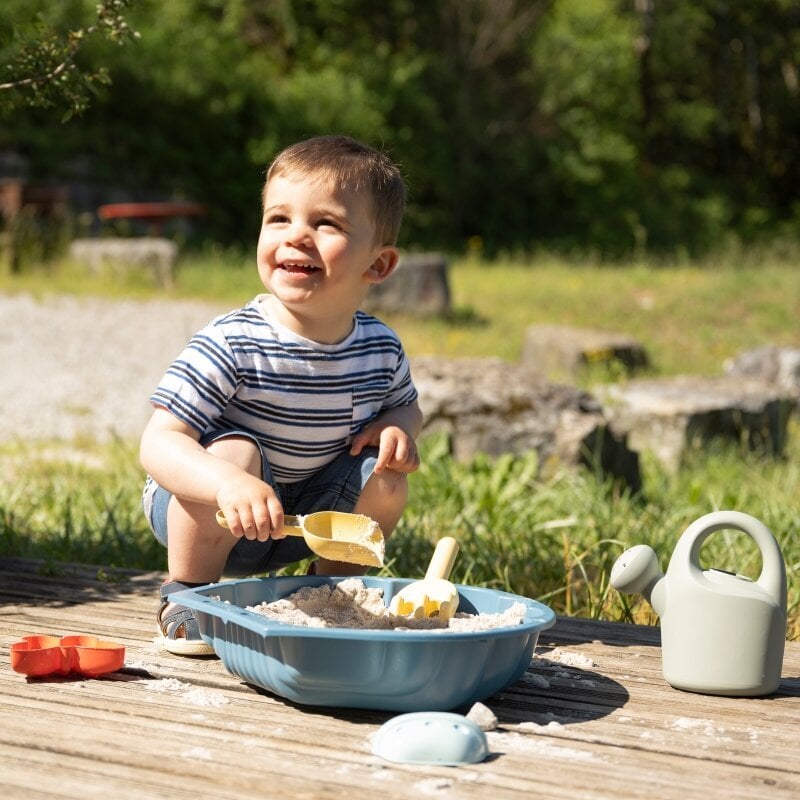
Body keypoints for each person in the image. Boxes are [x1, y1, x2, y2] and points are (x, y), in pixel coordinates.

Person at [139, 135, 422, 655]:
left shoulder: (379, 348)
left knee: (385, 476)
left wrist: (398, 427)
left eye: (326, 223)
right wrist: (225, 483)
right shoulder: (233, 341)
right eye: (279, 219)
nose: (297, 236)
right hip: (208, 513)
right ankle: (190, 594)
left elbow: (405, 404)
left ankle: (330, 591)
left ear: (378, 265)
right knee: (234, 451)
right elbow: (160, 443)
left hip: (303, 518)